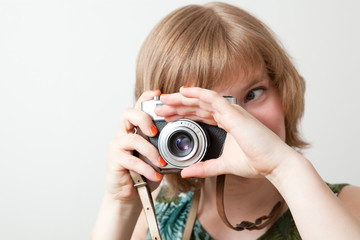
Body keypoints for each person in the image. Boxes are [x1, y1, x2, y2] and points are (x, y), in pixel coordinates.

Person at [90, 2, 360, 239]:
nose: (238, 122)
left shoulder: (348, 205)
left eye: (253, 94)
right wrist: (121, 204)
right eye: (205, 108)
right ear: (162, 122)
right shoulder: (152, 218)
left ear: (283, 90)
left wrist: (284, 169)